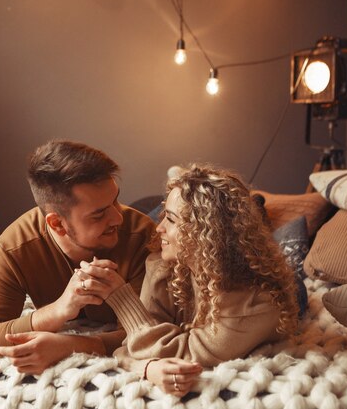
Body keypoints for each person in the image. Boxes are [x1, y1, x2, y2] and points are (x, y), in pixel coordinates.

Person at [79, 164, 300, 397]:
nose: (159, 227)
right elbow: (133, 345)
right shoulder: (165, 267)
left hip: (271, 294)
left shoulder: (256, 303)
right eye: (165, 217)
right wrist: (147, 368)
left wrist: (121, 298)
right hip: (207, 262)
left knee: (292, 270)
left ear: (207, 232)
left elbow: (181, 352)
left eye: (171, 220)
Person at [0, 140, 156, 373]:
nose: (117, 217)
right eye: (99, 214)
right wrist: (57, 310)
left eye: (115, 199)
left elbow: (148, 334)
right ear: (57, 223)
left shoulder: (142, 235)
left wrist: (72, 345)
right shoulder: (13, 248)